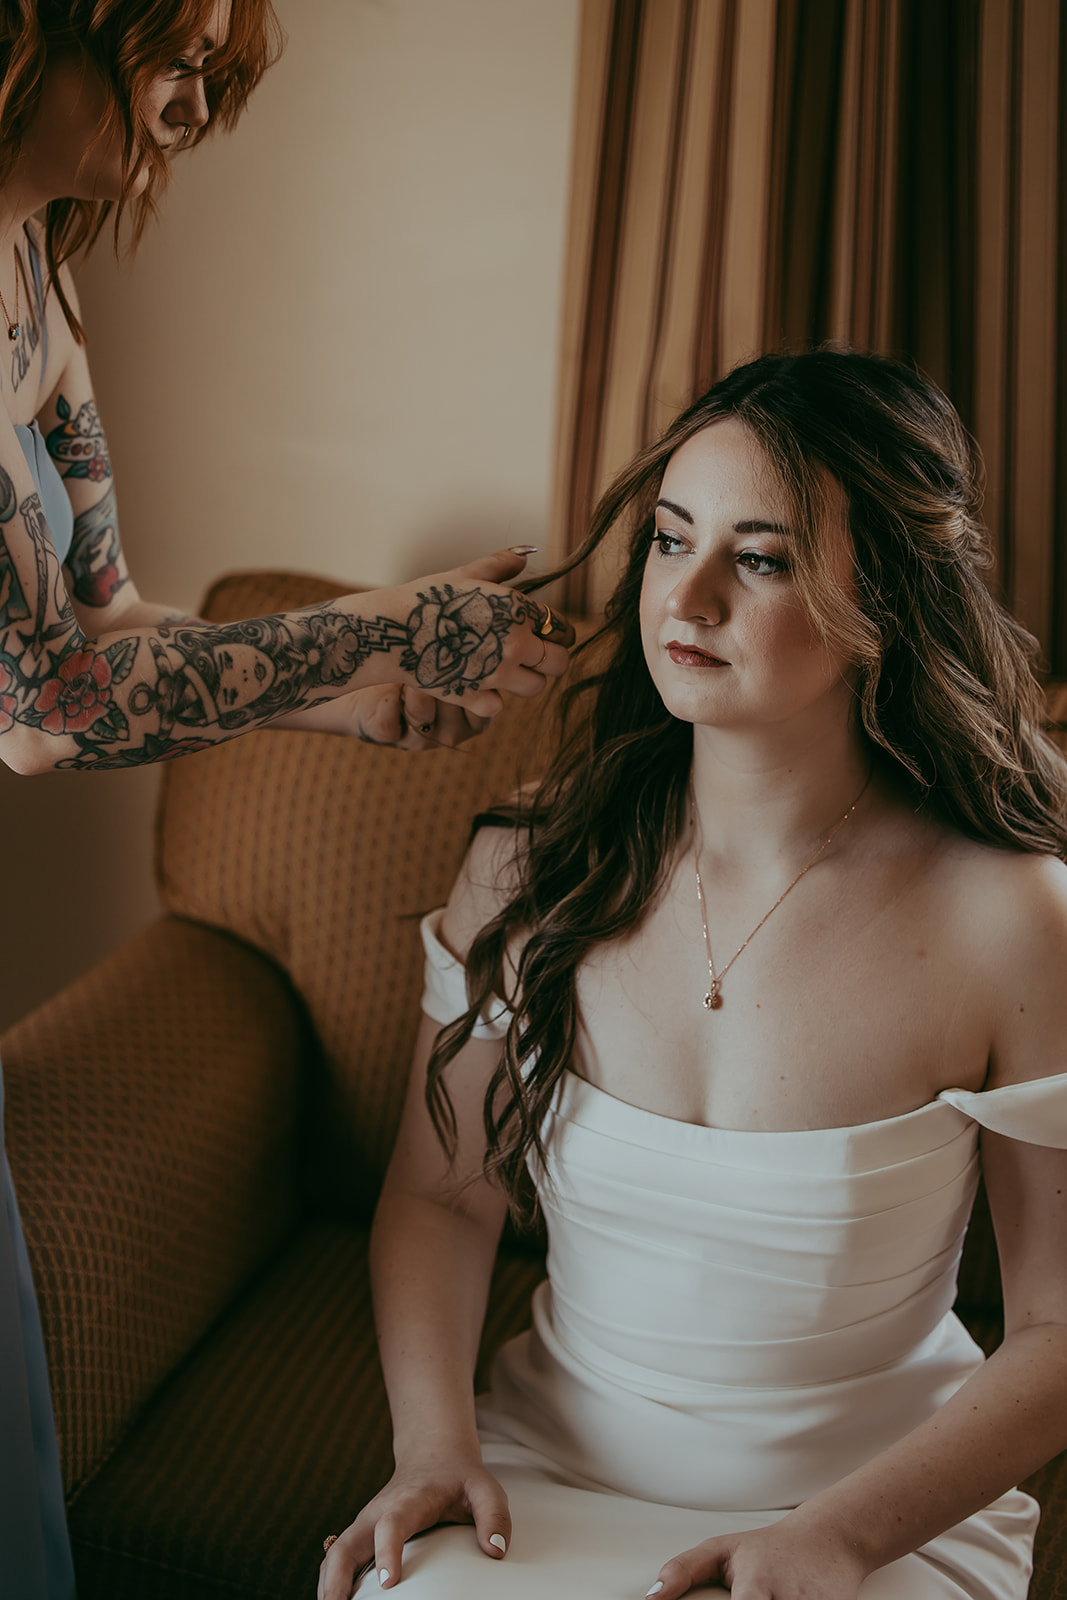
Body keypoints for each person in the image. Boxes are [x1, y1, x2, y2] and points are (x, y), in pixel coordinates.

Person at [320, 348, 1067, 1600]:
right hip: (541, 1483)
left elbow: (1053, 1329)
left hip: (868, 1516)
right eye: (671, 539)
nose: (689, 594)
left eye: (759, 557)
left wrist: (834, 1535)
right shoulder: (528, 867)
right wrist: (433, 1449)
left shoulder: (1009, 918)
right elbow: (442, 1198)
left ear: (879, 599)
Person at [0, 3, 574, 1595]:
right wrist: (384, 618)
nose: (190, 106)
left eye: (213, 78)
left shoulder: (41, 285)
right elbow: (41, 712)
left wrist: (341, 699)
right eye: (166, 58)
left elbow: (106, 627)